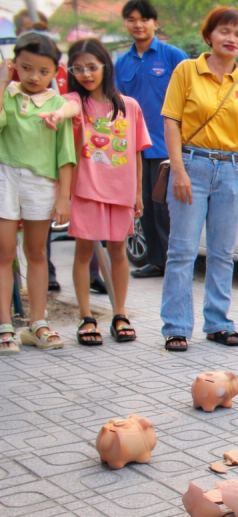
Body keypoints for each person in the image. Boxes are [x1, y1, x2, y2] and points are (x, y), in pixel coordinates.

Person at [159, 6, 238, 352]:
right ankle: (176, 326)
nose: (231, 39)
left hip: (234, 171)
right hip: (193, 165)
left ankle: (218, 322)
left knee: (222, 252)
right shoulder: (187, 70)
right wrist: (178, 170)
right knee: (182, 251)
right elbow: (171, 121)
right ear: (209, 36)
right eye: (224, 31)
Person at [62, 38, 151, 345]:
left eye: (92, 67)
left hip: (121, 192)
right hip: (86, 190)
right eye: (79, 68)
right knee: (84, 252)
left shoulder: (130, 107)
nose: (86, 73)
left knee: (119, 253)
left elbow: (138, 152)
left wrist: (138, 193)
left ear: (105, 67)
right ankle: (86, 317)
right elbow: (67, 106)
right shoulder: (75, 101)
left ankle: (120, 314)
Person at [0, 33, 78, 353]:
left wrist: (63, 197)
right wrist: (2, 83)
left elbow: (66, 154)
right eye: (26, 68)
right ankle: (4, 326)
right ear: (14, 64)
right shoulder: (8, 95)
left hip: (41, 184)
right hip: (5, 177)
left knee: (36, 254)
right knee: (4, 254)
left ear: (55, 71)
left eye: (42, 71)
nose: (33, 77)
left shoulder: (59, 105)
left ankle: (37, 324)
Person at [115, 0, 188, 279]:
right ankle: (156, 261)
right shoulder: (122, 63)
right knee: (143, 206)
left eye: (144, 19)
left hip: (167, 146)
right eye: (132, 19)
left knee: (166, 209)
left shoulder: (173, 56)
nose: (138, 24)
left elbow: (191, 96)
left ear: (155, 23)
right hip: (135, 148)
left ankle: (176, 264)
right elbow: (117, 105)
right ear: (126, 24)